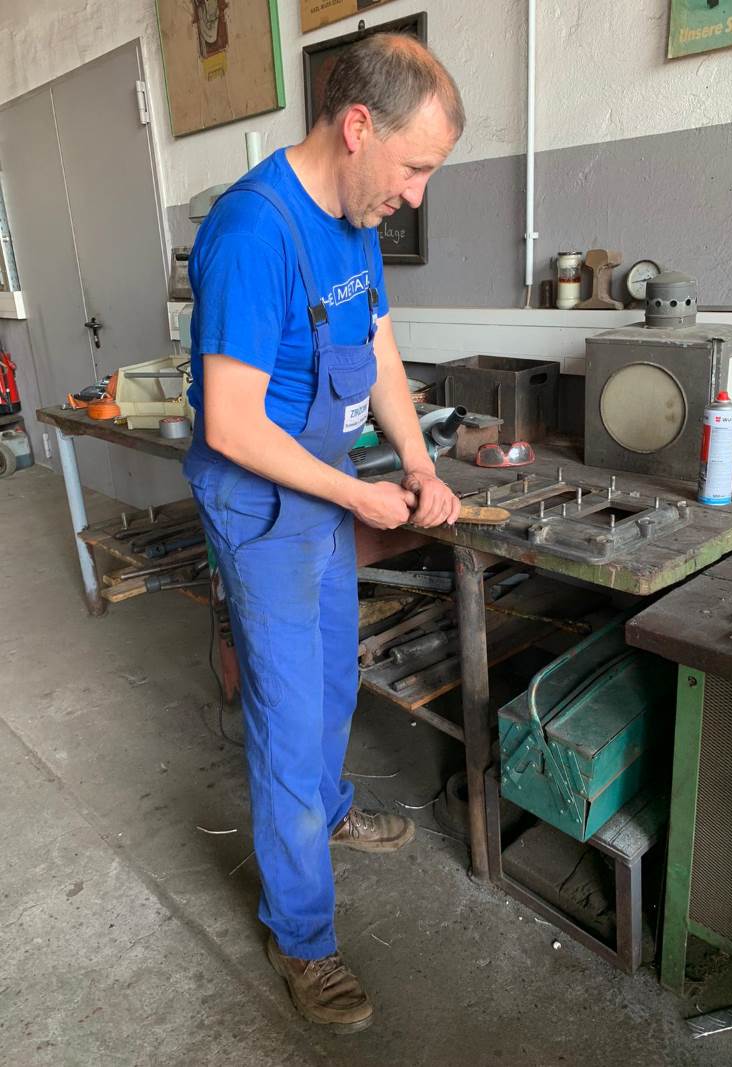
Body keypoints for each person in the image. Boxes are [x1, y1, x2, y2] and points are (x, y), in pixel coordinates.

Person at [183, 34, 465, 1034]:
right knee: (288, 714)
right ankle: (301, 936)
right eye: (413, 167)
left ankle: (330, 807)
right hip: (262, 508)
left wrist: (417, 463)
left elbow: (376, 343)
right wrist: (353, 495)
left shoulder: (355, 216)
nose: (415, 195)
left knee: (334, 676)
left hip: (324, 493)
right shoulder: (252, 233)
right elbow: (230, 424)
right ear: (355, 127)